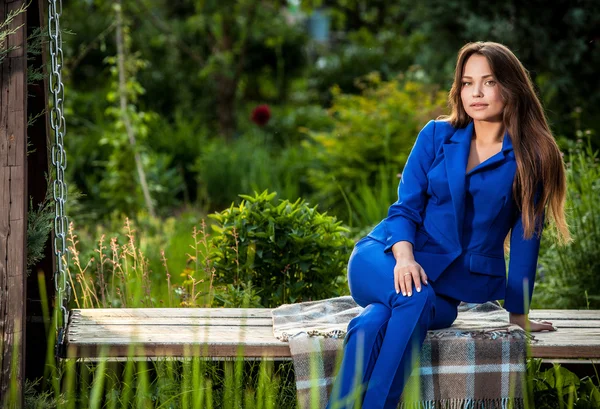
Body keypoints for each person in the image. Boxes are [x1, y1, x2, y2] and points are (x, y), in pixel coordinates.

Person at [325, 41, 571, 409]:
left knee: (376, 319)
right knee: (414, 296)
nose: (476, 92)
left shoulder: (531, 157)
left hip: (447, 291)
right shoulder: (436, 135)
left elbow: (525, 240)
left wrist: (518, 316)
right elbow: (404, 209)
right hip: (386, 257)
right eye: (468, 82)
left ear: (511, 86)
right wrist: (405, 258)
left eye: (488, 82)